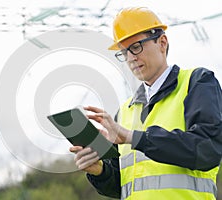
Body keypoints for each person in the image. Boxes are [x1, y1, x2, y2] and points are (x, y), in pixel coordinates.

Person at [70, 7, 222, 200]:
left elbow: (207, 150)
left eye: (136, 47)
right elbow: (124, 186)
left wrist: (133, 137)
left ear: (162, 42)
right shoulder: (125, 111)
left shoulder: (197, 83)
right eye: (124, 52)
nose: (131, 58)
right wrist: (99, 171)